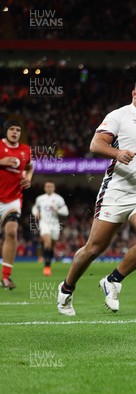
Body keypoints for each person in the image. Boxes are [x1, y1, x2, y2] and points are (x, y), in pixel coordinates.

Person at [57, 75, 136, 316]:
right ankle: (67, 288)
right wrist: (117, 153)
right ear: (135, 94)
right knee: (94, 248)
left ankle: (113, 280)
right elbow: (96, 144)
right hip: (117, 191)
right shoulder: (119, 116)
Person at [0, 120, 34, 289]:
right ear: (5, 131)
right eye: (12, 129)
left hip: (12, 199)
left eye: (18, 130)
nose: (15, 132)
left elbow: (30, 166)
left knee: (11, 232)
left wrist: (28, 177)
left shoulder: (25, 150)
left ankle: (6, 277)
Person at [32, 181, 69, 276]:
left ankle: (49, 262)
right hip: (44, 223)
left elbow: (66, 212)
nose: (49, 188)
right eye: (47, 186)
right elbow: (35, 208)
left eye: (50, 186)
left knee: (52, 244)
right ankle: (47, 266)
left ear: (54, 187)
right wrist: (36, 213)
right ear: (44, 188)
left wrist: (57, 210)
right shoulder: (40, 198)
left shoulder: (58, 199)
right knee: (47, 242)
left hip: (55, 224)